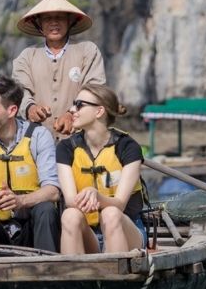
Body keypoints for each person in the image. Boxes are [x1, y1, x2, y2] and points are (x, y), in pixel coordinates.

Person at [56, 83, 148, 255]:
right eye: (74, 103)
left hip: (127, 230)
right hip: (88, 233)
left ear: (99, 112)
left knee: (111, 213)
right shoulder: (65, 148)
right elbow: (70, 200)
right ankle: (72, 279)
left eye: (79, 105)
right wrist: (87, 197)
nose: (71, 109)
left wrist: (96, 195)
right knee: (69, 215)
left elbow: (119, 204)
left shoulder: (128, 147)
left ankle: (118, 279)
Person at [0, 75, 61, 252]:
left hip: (31, 223)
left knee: (46, 209)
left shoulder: (39, 136)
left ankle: (49, 271)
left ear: (12, 110)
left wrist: (20, 201)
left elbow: (53, 191)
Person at [12, 0, 106, 137]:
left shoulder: (88, 51)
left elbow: (95, 90)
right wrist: (31, 108)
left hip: (80, 138)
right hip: (35, 139)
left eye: (60, 18)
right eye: (47, 18)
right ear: (39, 24)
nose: (54, 23)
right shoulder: (27, 56)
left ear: (70, 22)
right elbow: (20, 90)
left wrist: (71, 114)